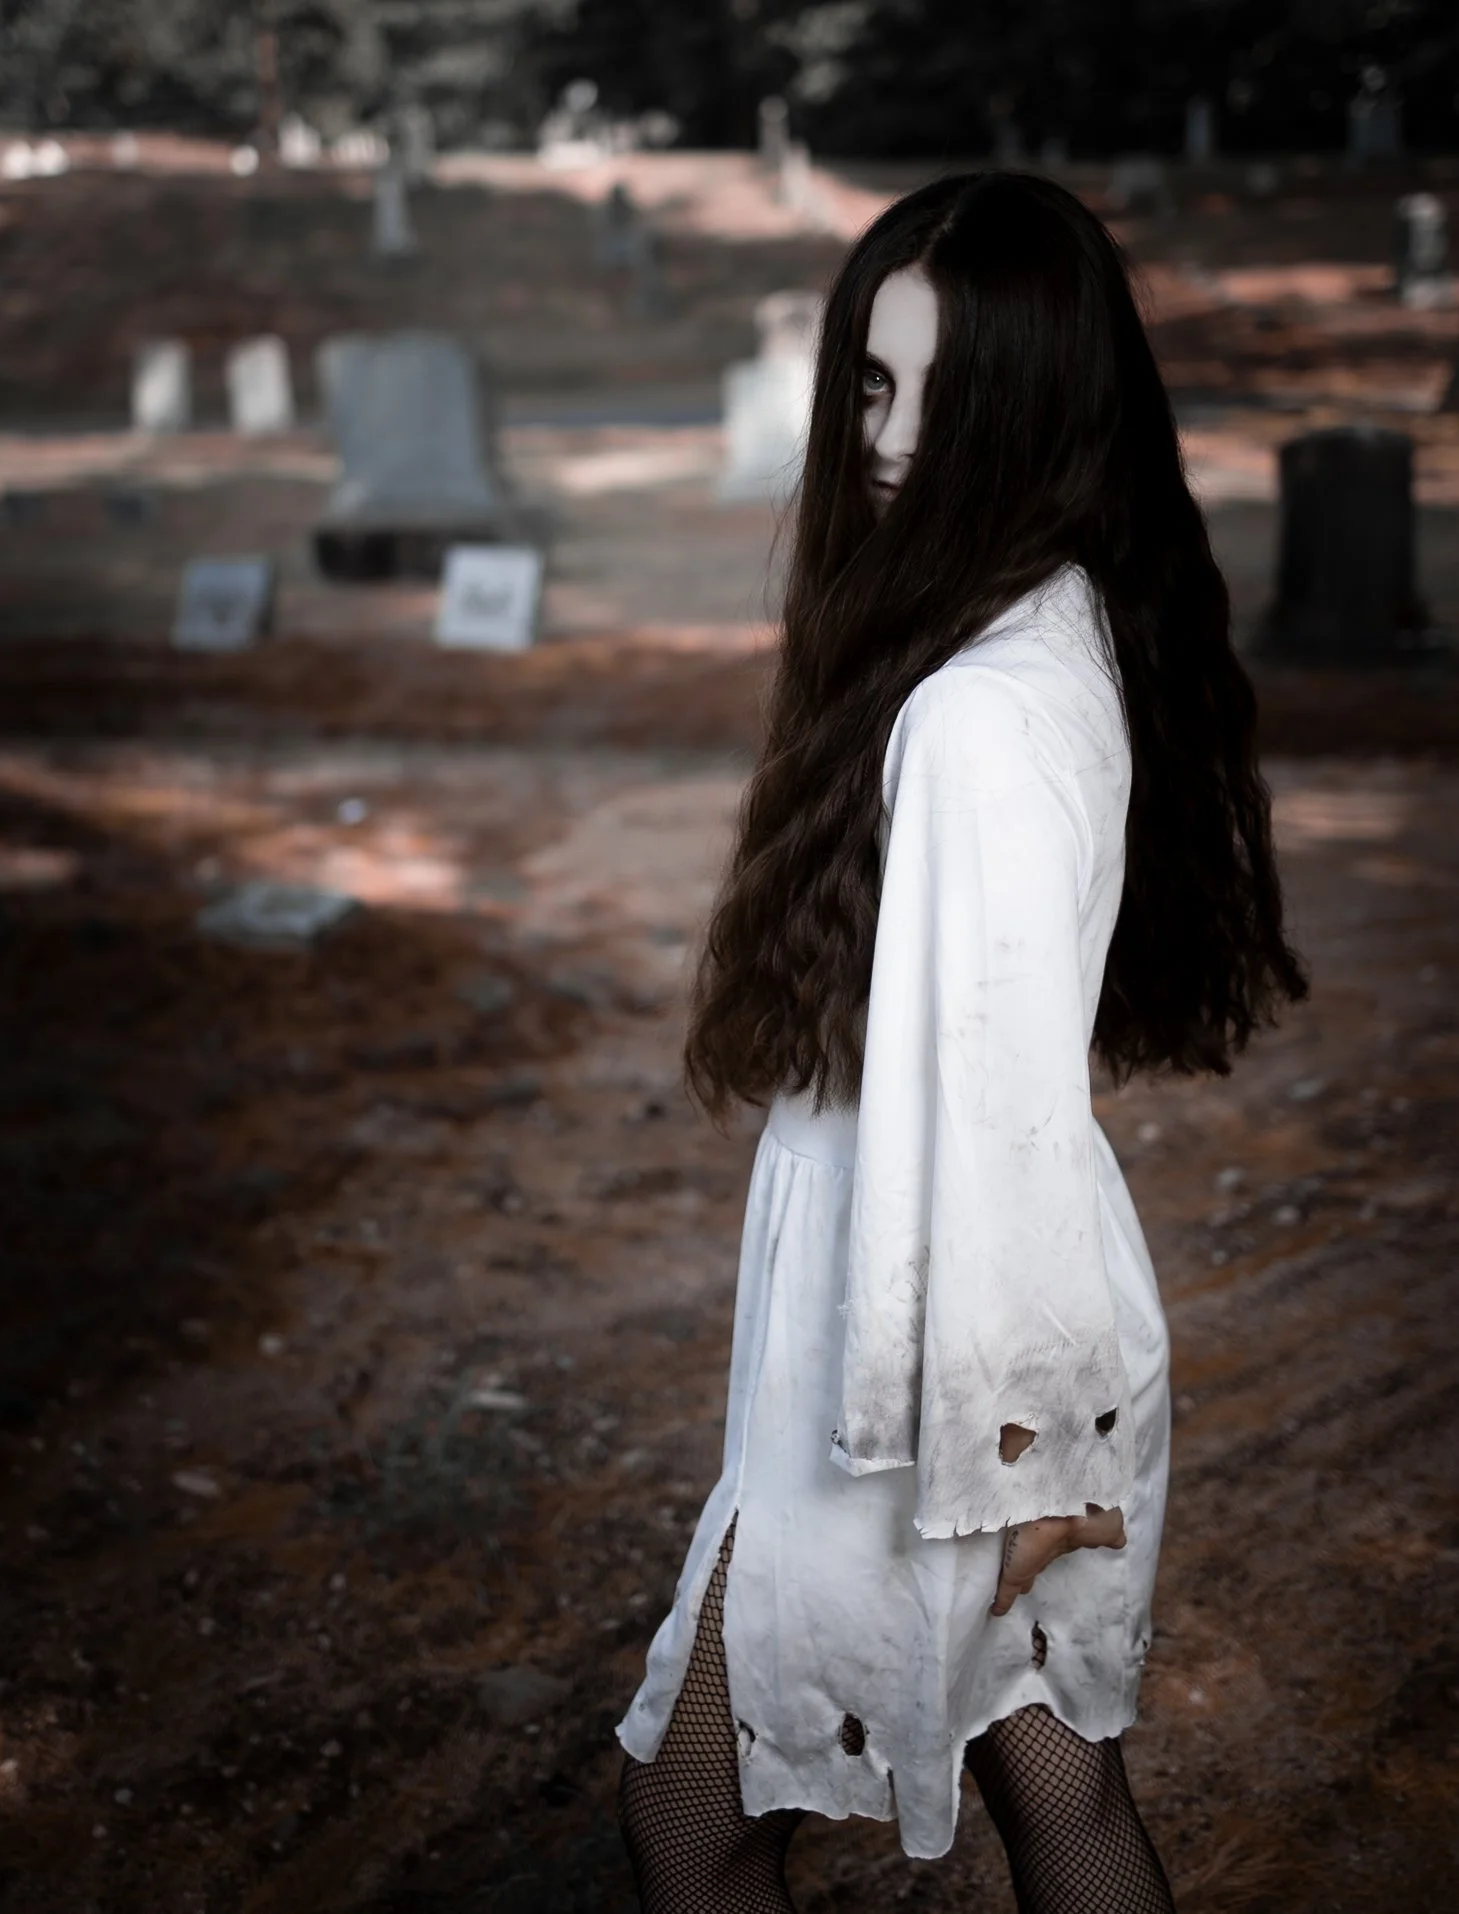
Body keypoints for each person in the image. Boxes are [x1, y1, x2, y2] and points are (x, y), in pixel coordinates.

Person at [614, 171, 1307, 1914]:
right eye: (870, 384)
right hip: (962, 1362)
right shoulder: (1035, 620)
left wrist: (1029, 1468)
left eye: (947, 392)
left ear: (1041, 407)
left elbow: (990, 1118)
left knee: (694, 1824)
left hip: (937, 1393)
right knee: (1059, 1804)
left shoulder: (980, 712)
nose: (895, 439)